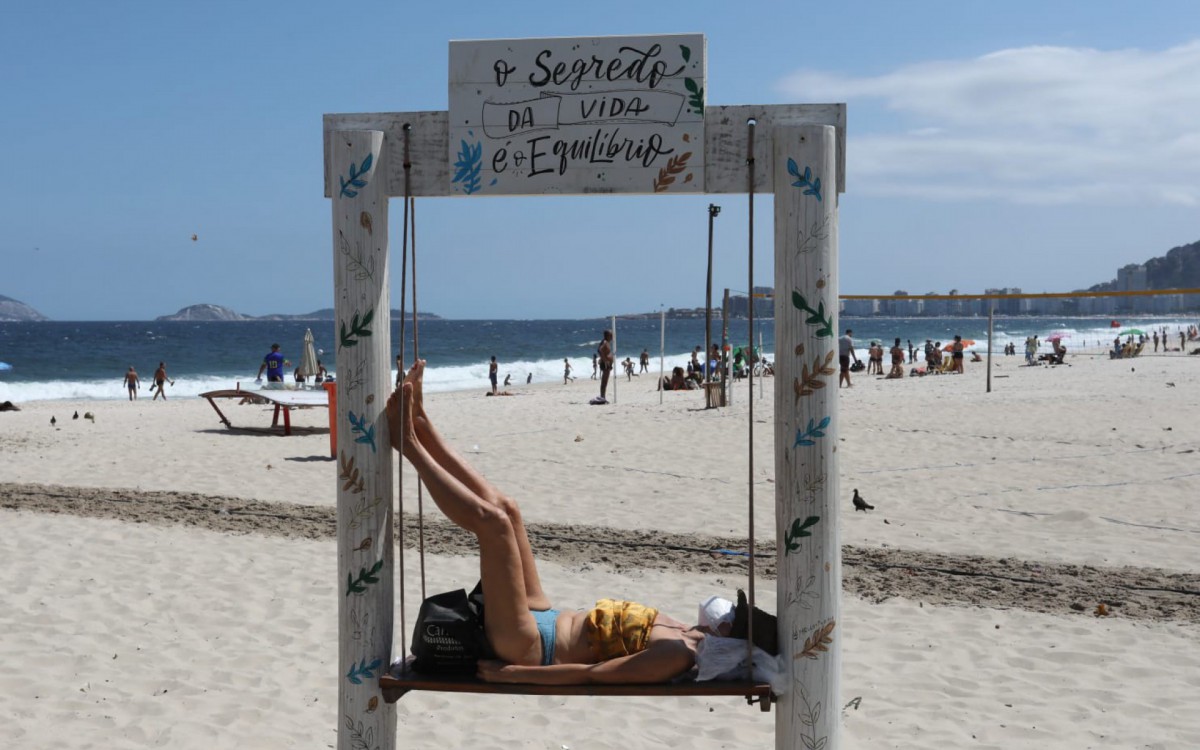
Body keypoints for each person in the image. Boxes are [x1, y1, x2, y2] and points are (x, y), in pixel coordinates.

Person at [387, 362, 703, 685]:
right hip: (545, 616)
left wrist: (516, 675)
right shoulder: (687, 632)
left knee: (493, 524)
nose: (724, 615)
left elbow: (593, 675)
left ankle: (408, 443)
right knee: (509, 510)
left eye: (732, 618)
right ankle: (423, 425)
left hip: (532, 649)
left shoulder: (678, 655)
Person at [597, 330, 614, 401]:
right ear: (607, 336)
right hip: (605, 364)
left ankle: (603, 397)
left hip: (607, 364)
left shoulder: (605, 342)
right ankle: (602, 397)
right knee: (604, 381)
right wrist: (605, 360)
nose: (612, 337)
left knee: (605, 381)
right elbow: (600, 350)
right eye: (611, 335)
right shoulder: (605, 342)